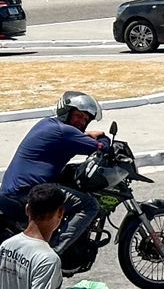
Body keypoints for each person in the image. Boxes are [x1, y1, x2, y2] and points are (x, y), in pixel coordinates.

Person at [1, 92, 107, 257]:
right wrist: (103, 137)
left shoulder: (47, 124)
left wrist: (88, 135)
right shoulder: (65, 132)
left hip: (13, 189)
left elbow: (76, 138)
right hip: (28, 191)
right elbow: (101, 147)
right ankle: (54, 254)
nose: (81, 121)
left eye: (85, 119)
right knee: (89, 205)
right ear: (66, 112)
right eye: (78, 115)